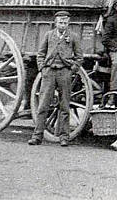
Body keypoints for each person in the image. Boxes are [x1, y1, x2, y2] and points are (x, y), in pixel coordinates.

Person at [28, 11, 83, 147]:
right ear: (55, 23)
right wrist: (42, 68)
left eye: (65, 23)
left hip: (65, 72)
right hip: (49, 72)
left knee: (64, 105)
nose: (63, 25)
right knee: (43, 104)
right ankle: (37, 136)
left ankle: (64, 137)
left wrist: (72, 70)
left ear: (68, 23)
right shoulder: (48, 35)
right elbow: (40, 53)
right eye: (60, 22)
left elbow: (79, 57)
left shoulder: (74, 37)